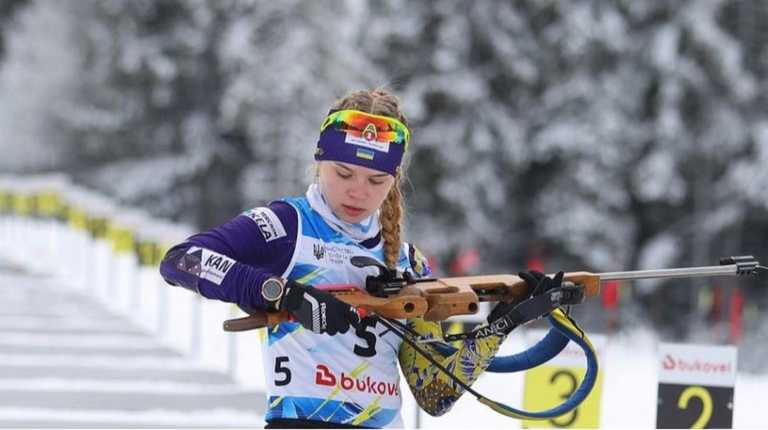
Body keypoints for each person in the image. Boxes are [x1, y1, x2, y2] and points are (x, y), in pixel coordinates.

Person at [159, 88, 562, 428]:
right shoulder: (287, 225)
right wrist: (282, 293)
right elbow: (181, 260)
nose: (358, 192)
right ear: (320, 162)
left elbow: (435, 391)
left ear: (394, 180)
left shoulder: (407, 261)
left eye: (376, 181)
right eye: (343, 173)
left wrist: (504, 321)